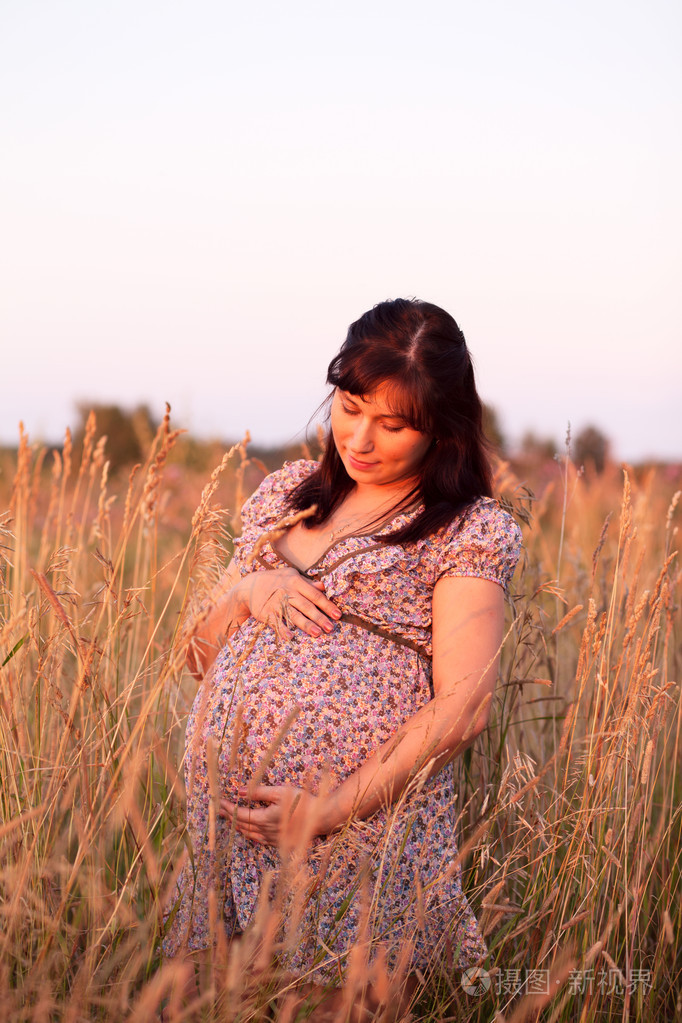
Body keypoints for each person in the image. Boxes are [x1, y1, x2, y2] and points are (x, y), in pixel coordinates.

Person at [162, 298, 522, 1012]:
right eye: (351, 406)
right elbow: (198, 661)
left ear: (440, 429)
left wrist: (325, 811)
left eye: (393, 424)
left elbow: (466, 703)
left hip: (352, 831)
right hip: (225, 827)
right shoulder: (284, 498)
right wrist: (245, 592)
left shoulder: (467, 529)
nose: (360, 437)